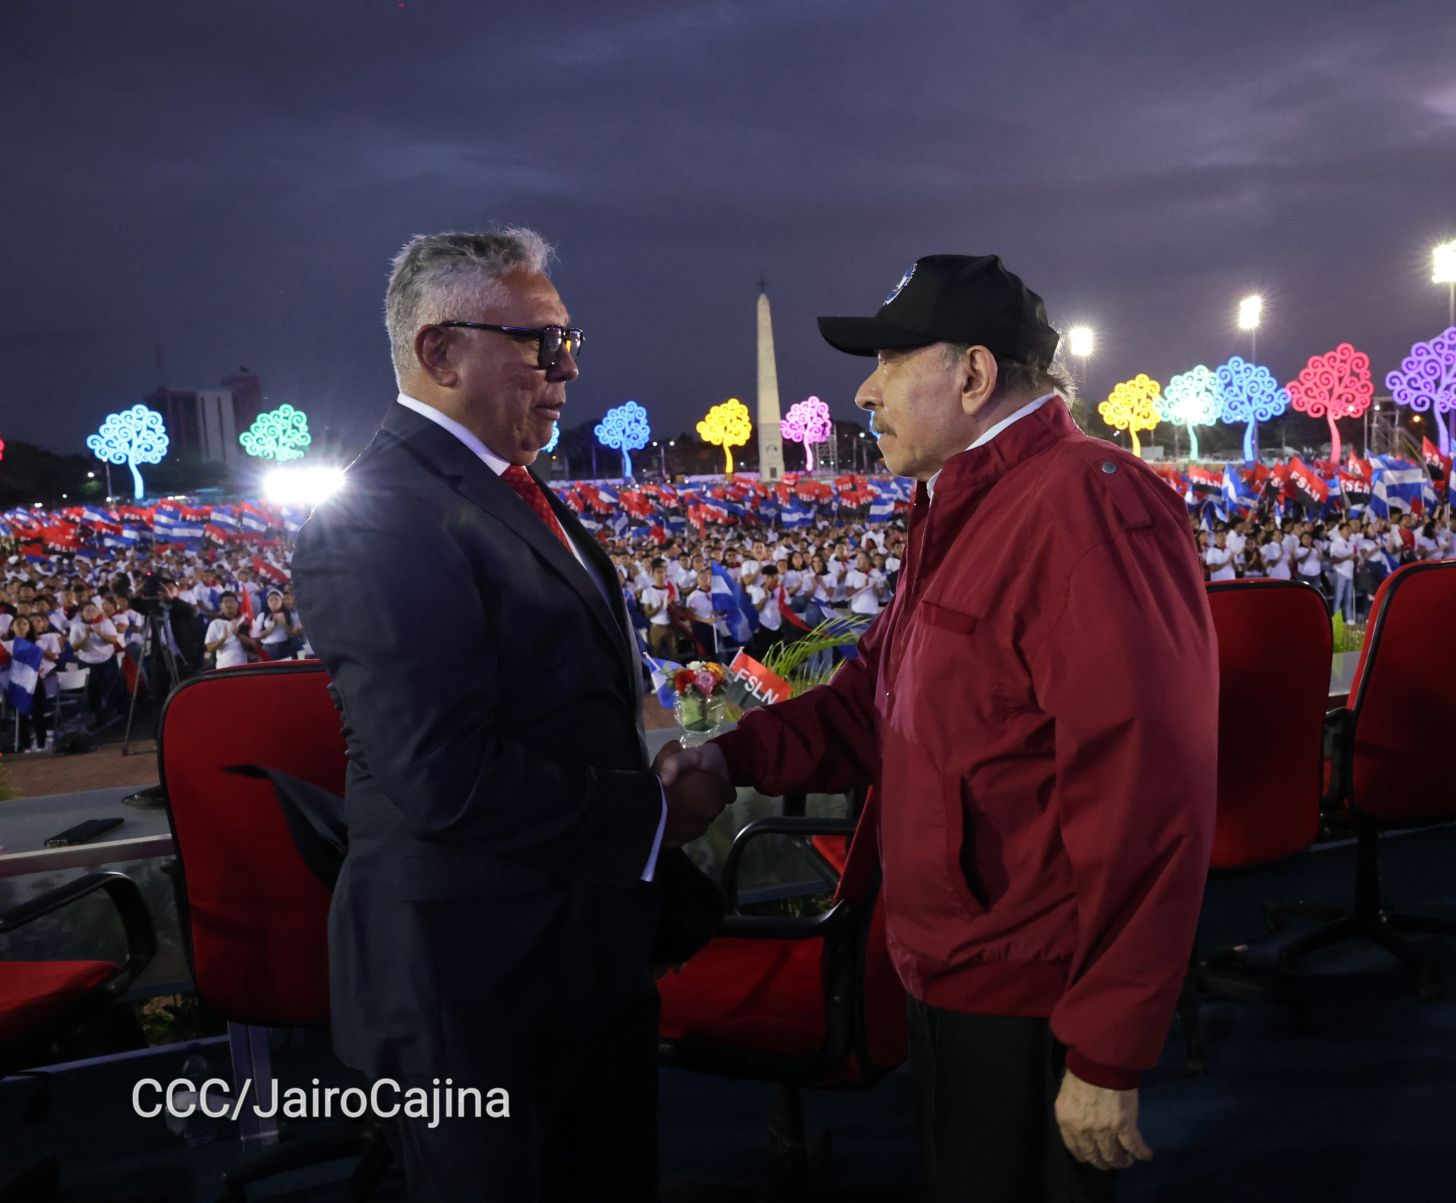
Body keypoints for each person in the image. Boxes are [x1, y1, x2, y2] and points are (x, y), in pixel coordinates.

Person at [661, 253, 1217, 1202]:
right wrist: (729, 754)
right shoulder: (964, 505)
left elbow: (1147, 789)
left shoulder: (1085, 505)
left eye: (888, 359)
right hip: (955, 964)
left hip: (1033, 986)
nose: (864, 389)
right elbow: (875, 700)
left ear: (972, 374)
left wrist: (1109, 1048)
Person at [290, 227, 730, 1202]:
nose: (566, 370)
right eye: (538, 343)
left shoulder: (518, 491)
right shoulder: (378, 517)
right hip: (469, 982)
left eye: (571, 340)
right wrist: (655, 815)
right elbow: (444, 776)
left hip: (575, 951)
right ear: (440, 353)